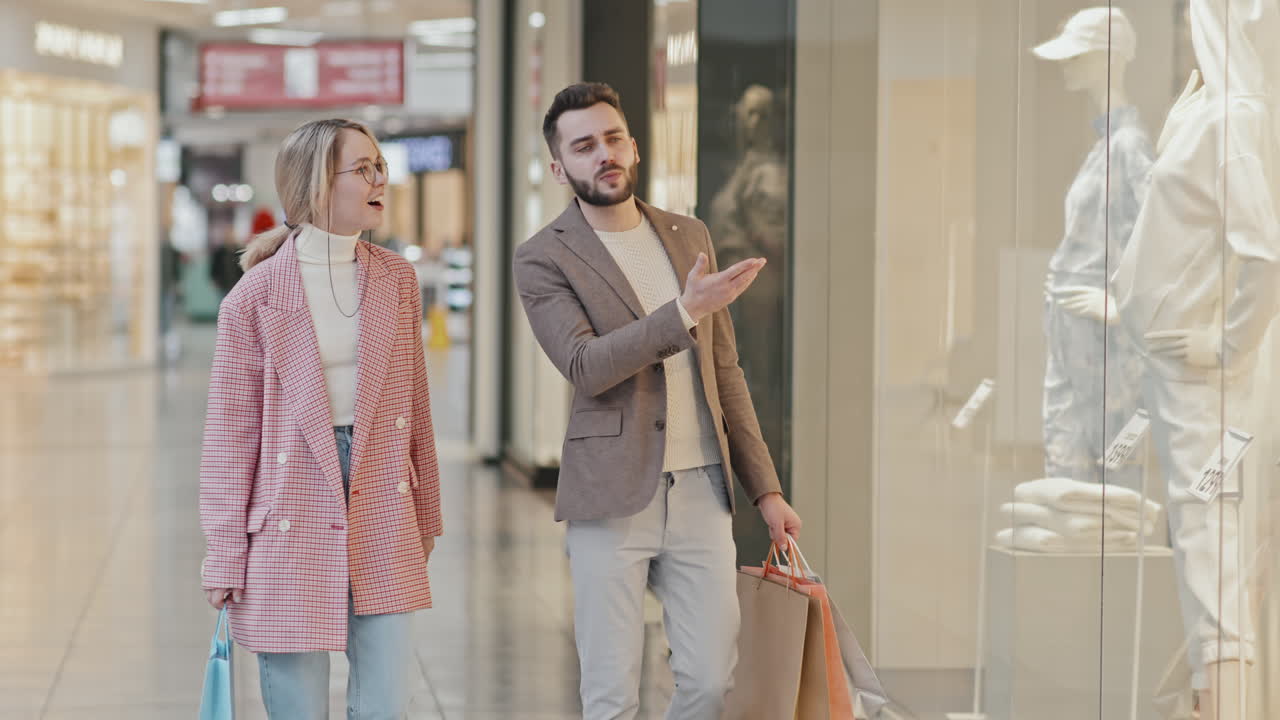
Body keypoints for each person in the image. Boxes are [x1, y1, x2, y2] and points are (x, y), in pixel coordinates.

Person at [513, 82, 802, 720]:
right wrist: (682, 313)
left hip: (702, 488)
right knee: (612, 695)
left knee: (707, 682)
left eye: (613, 138)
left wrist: (767, 490)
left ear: (634, 147)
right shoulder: (542, 258)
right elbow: (586, 366)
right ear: (560, 167)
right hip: (610, 494)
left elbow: (725, 370)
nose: (604, 154)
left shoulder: (687, 234)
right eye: (584, 146)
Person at [198, 118, 443, 720]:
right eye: (362, 169)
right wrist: (225, 553)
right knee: (298, 706)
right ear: (314, 185)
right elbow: (231, 439)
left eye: (379, 165)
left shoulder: (397, 279)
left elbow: (416, 409)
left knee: (387, 702)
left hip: (383, 494)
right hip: (287, 508)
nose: (379, 178)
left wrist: (427, 515)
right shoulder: (253, 298)